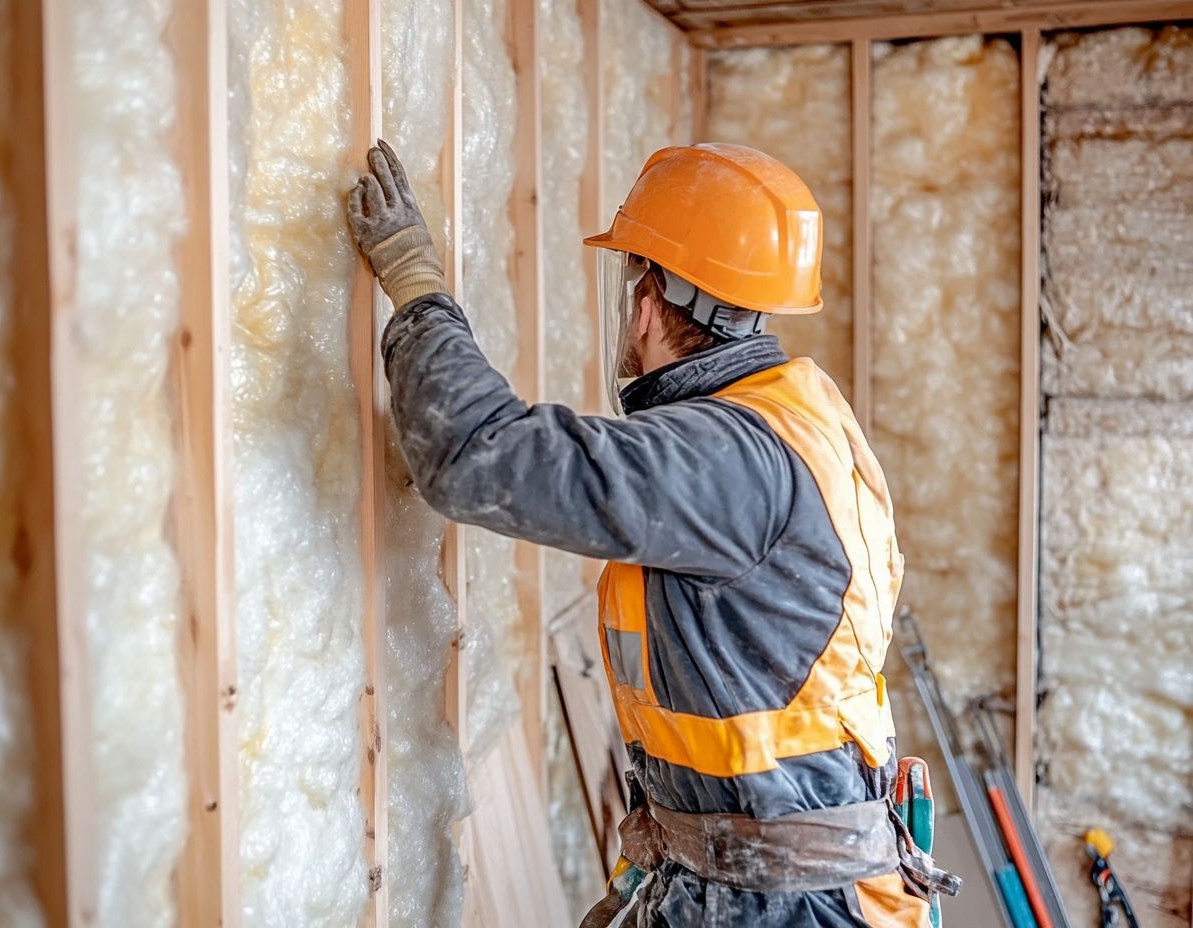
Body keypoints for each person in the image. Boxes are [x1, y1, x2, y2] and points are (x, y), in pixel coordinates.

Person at [347, 139, 957, 926]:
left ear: (652, 298)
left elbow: (476, 458)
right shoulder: (795, 418)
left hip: (788, 904)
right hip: (771, 881)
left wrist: (415, 284)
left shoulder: (728, 457)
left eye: (635, 277)